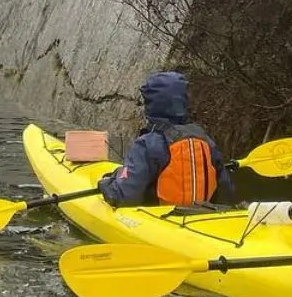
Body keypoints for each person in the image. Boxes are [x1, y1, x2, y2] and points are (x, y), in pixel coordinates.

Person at [98, 70, 236, 208]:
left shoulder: (147, 145)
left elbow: (124, 196)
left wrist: (105, 184)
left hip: (159, 220)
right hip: (201, 219)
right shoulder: (205, 140)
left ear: (151, 105)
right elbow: (226, 195)